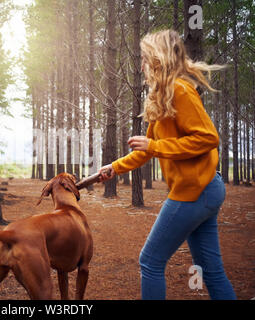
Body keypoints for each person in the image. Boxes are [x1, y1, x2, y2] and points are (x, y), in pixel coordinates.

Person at [98, 29, 236, 300]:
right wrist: (114, 168)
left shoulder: (179, 90)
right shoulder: (162, 96)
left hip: (195, 191)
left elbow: (209, 138)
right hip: (204, 190)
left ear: (158, 59)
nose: (141, 65)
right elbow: (146, 150)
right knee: (211, 270)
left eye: (145, 58)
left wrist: (156, 147)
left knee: (150, 261)